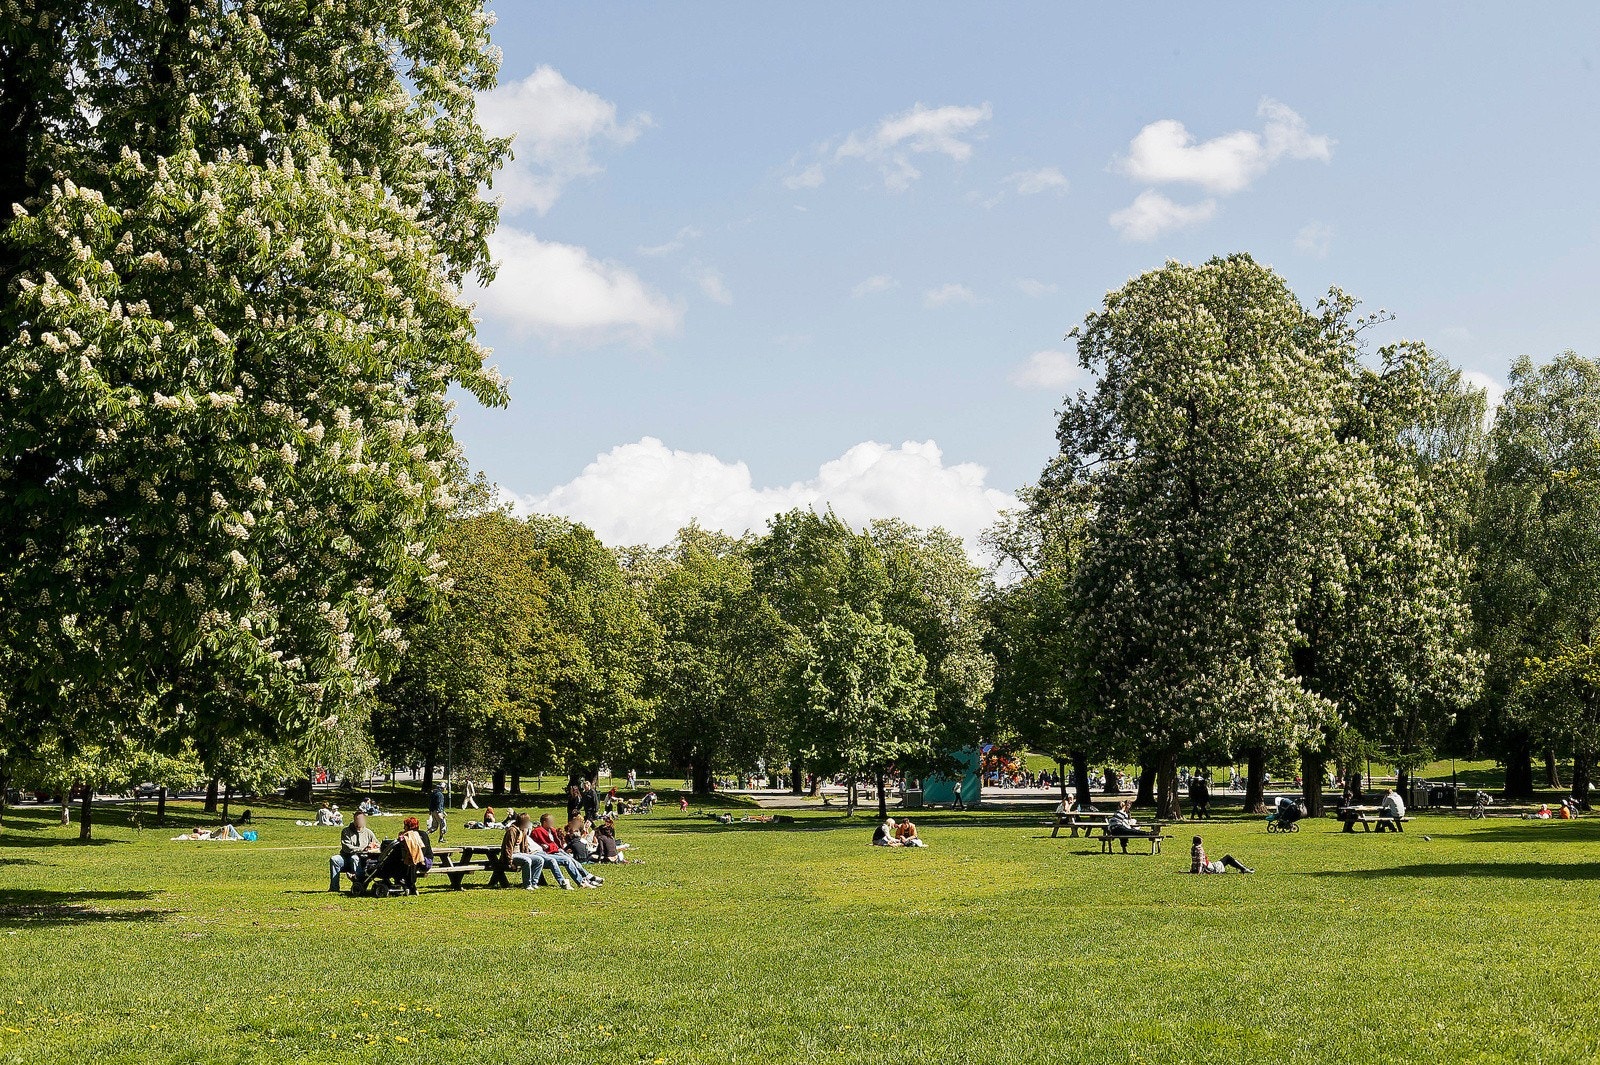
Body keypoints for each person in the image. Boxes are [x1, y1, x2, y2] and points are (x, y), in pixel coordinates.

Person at [529, 814, 603, 889]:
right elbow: (535, 846)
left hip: (557, 851)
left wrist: (559, 846)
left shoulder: (551, 830)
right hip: (548, 853)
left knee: (573, 861)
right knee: (568, 860)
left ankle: (588, 878)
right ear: (544, 822)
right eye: (550, 821)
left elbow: (557, 843)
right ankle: (583, 881)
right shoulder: (537, 831)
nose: (552, 822)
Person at [373, 816, 433, 895]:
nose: (404, 828)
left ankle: (406, 883)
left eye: (405, 826)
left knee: (406, 861)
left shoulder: (414, 836)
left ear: (409, 827)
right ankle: (408, 884)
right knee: (406, 861)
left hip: (424, 862)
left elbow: (419, 854)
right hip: (422, 861)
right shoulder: (421, 834)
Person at [329, 811, 380, 892]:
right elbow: (347, 848)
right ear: (354, 820)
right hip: (346, 858)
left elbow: (377, 844)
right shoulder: (346, 831)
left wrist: (372, 846)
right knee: (334, 859)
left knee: (355, 858)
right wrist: (363, 849)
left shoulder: (368, 832)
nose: (358, 821)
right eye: (357, 819)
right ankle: (334, 888)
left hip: (364, 860)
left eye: (360, 819)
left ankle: (358, 884)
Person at [503, 813, 548, 889]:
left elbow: (525, 845)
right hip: (512, 855)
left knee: (539, 860)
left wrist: (528, 853)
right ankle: (527, 884)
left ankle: (534, 882)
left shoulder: (523, 830)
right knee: (527, 860)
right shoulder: (512, 830)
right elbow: (508, 847)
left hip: (521, 853)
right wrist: (510, 862)